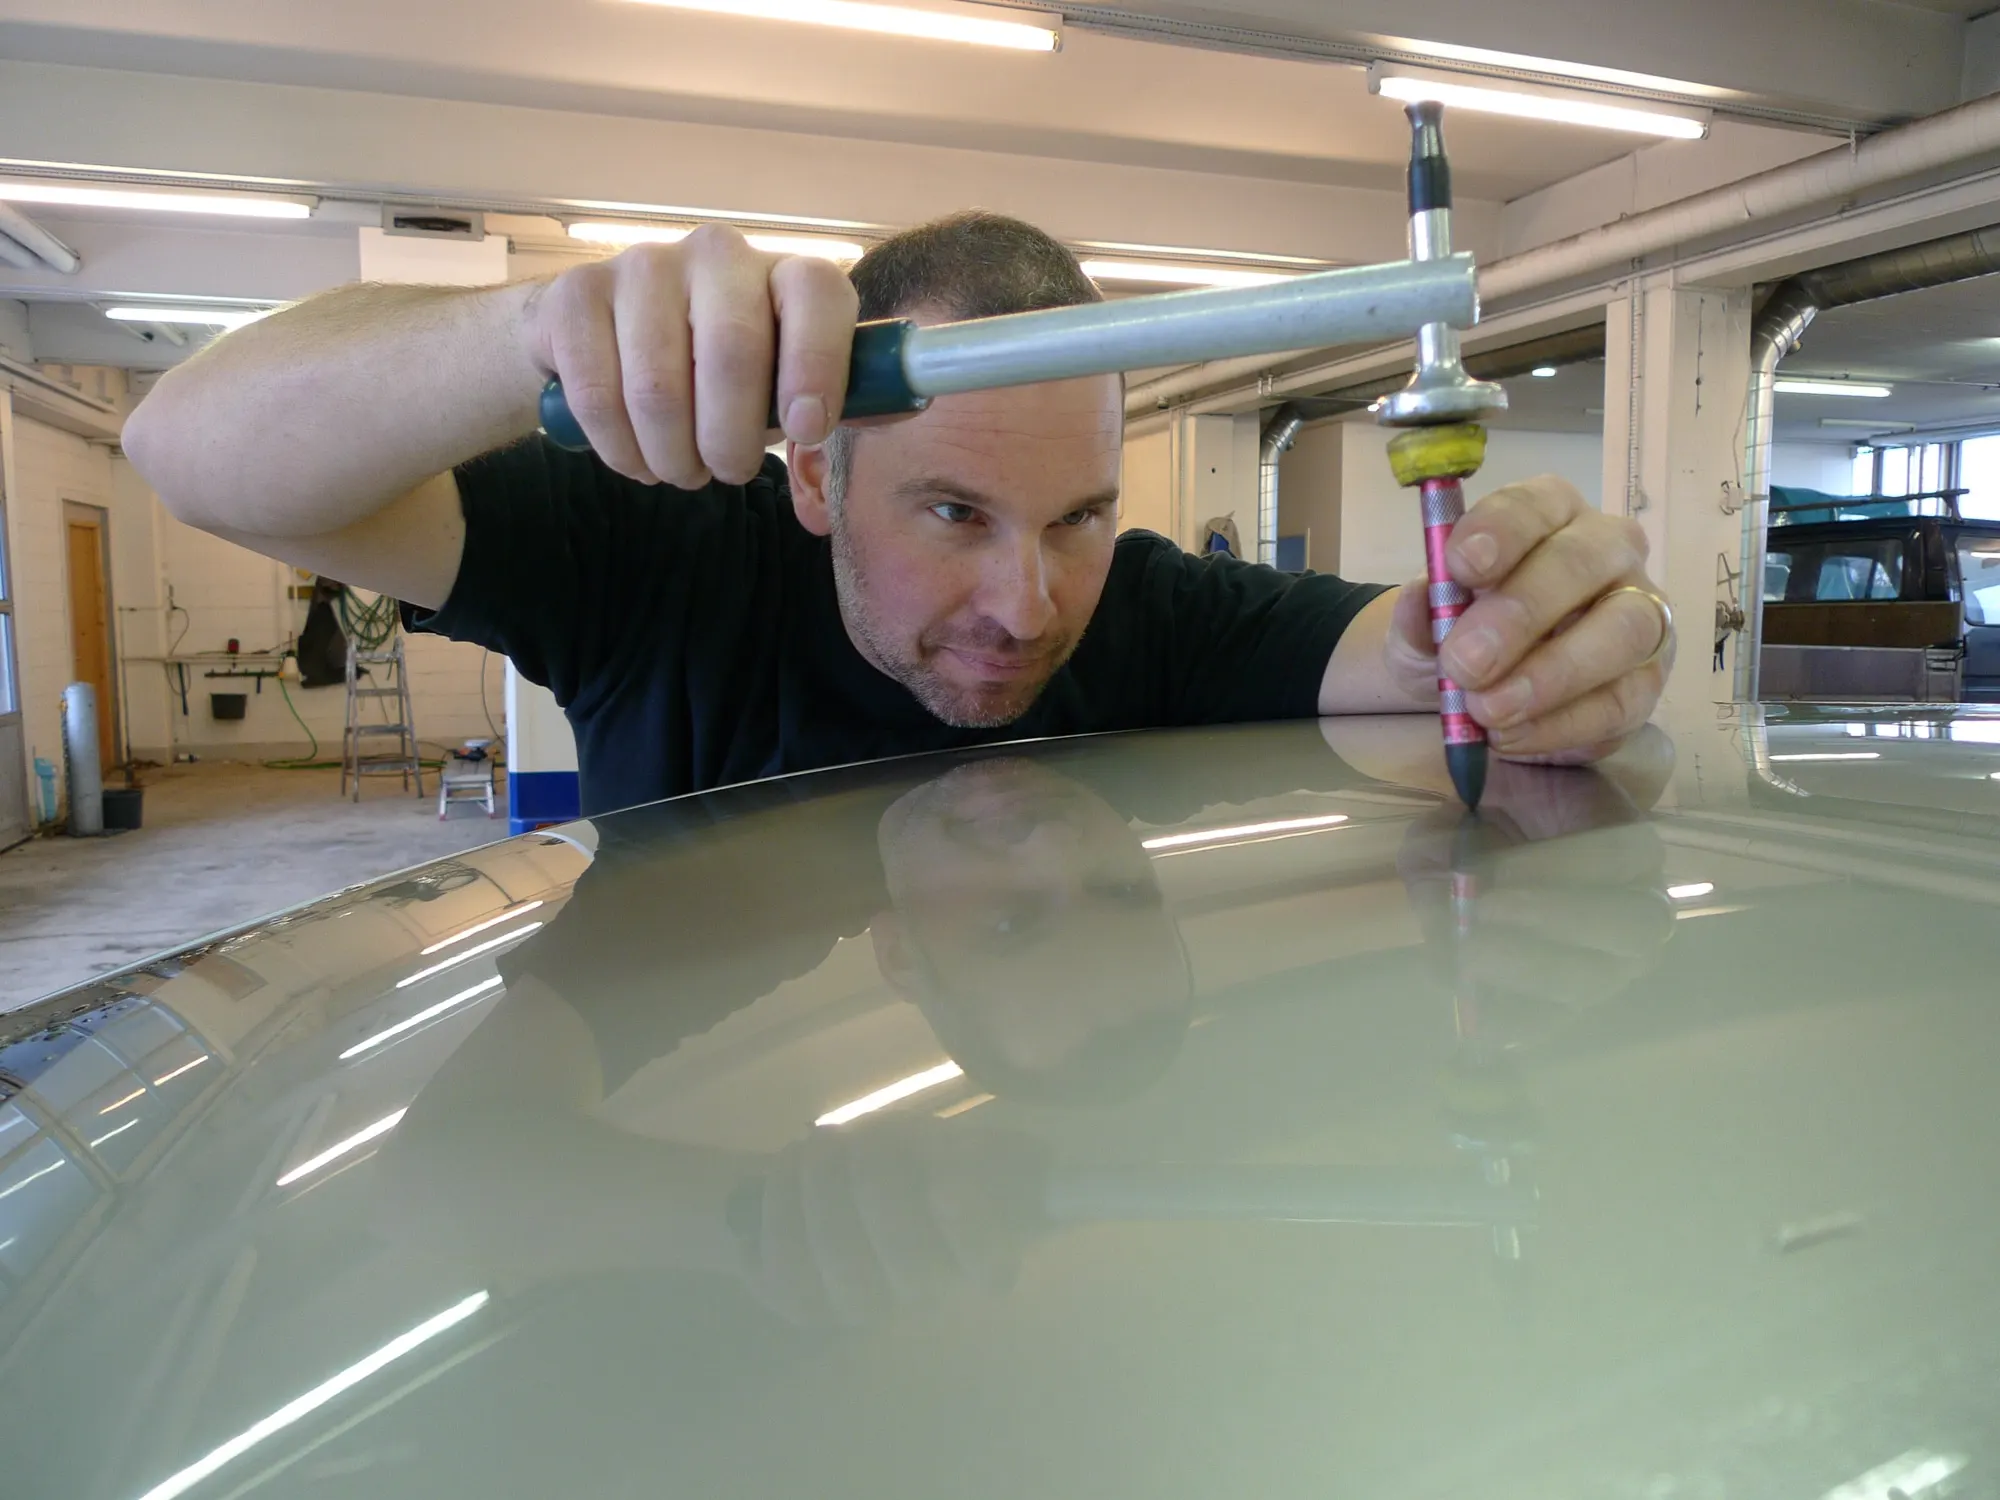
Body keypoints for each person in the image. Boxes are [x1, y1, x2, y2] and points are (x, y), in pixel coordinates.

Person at [123, 211, 1673, 813]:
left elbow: (1411, 656)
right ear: (812, 473)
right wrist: (533, 330)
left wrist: (1535, 634)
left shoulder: (1143, 607)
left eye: (1077, 515)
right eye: (951, 513)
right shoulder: (651, 563)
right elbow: (188, 448)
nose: (1027, 604)